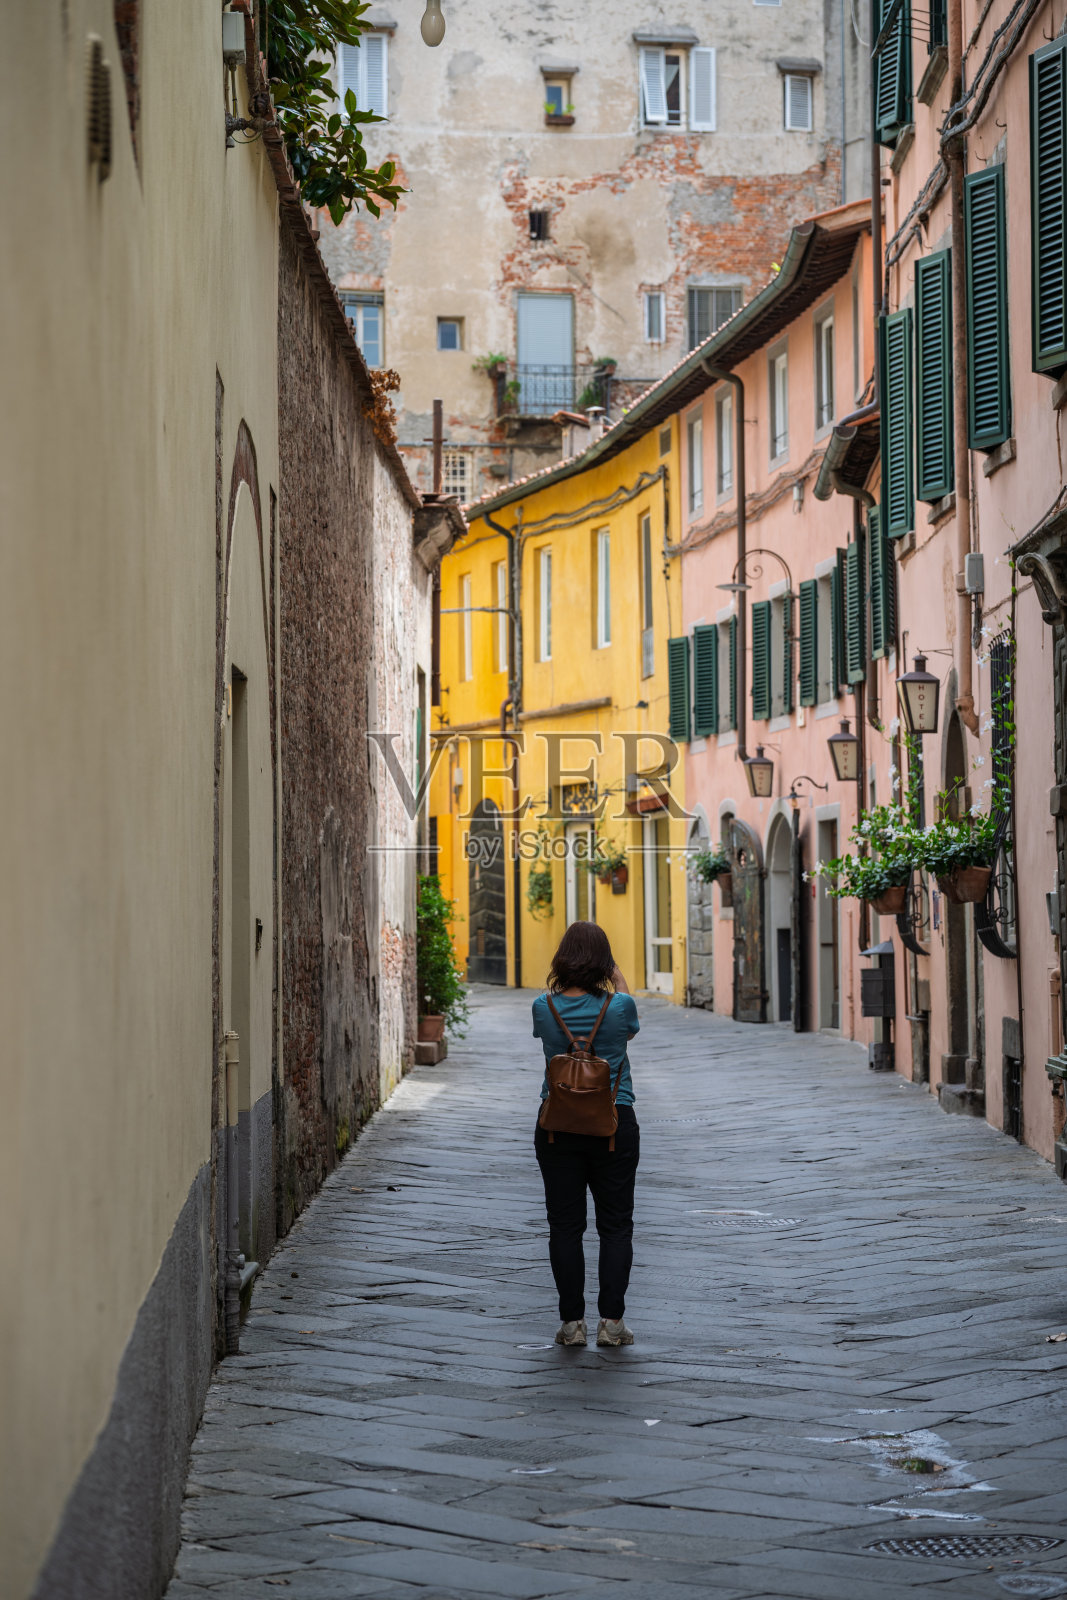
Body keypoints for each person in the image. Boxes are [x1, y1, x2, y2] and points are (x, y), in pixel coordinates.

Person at [532, 921, 640, 1349]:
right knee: (615, 1226)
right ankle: (612, 1324)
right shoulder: (618, 1007)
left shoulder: (544, 1006)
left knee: (564, 1226)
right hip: (614, 1123)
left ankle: (571, 1324)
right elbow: (630, 1025)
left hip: (556, 1127)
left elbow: (545, 1038)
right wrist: (615, 976)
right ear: (602, 961)